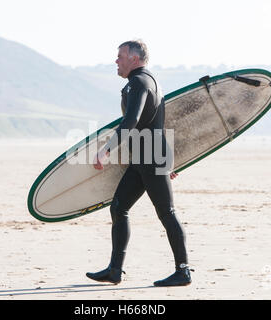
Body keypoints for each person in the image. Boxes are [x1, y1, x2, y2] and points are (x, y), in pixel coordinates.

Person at [86, 40, 192, 287]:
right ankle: (114, 270)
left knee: (166, 213)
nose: (116, 60)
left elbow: (131, 120)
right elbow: (157, 123)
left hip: (151, 158)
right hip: (145, 158)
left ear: (134, 58)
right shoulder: (148, 81)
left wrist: (106, 150)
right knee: (118, 207)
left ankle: (183, 271)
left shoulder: (139, 82)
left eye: (120, 55)